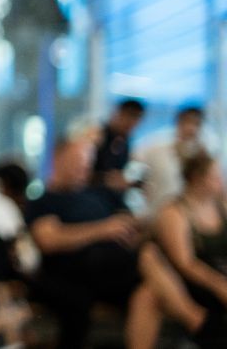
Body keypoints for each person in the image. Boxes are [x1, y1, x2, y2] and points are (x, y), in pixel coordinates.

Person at [27, 135, 223, 348]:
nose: (83, 168)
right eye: (77, 161)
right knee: (148, 254)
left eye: (86, 162)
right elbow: (48, 240)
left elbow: (128, 221)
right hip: (78, 270)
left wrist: (136, 227)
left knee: (148, 293)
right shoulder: (46, 200)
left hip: (118, 269)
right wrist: (103, 229)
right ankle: (197, 321)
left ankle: (198, 323)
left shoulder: (98, 194)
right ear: (58, 159)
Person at [155, 154, 227, 312]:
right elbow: (185, 264)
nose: (221, 180)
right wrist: (219, 284)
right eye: (215, 176)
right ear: (197, 179)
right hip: (198, 284)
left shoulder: (221, 204)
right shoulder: (174, 212)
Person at [138, 106, 208, 211]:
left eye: (196, 124)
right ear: (178, 122)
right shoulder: (155, 147)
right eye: (188, 122)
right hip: (157, 211)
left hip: (190, 214)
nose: (191, 128)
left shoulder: (204, 153)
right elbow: (135, 168)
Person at [93, 98, 146, 196]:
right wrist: (105, 179)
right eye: (129, 116)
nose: (131, 122)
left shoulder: (125, 141)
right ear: (117, 113)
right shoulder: (97, 136)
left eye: (137, 118)